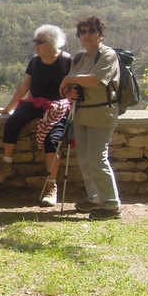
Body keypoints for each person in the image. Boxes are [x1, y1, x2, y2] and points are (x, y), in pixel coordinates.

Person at [0, 25, 73, 206]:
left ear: (52, 43)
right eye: (35, 41)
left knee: (53, 141)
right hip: (35, 102)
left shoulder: (67, 61)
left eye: (40, 41)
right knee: (13, 122)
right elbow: (25, 87)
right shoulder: (35, 61)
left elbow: (73, 89)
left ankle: (51, 186)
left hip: (57, 107)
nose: (36, 44)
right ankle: (7, 166)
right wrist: (7, 108)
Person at [59, 16, 122, 220]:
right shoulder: (78, 58)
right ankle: (95, 198)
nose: (87, 35)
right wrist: (69, 92)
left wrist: (68, 79)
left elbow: (95, 79)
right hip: (82, 113)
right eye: (83, 32)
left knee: (97, 158)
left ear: (100, 34)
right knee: (85, 158)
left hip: (102, 113)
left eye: (91, 31)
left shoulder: (107, 55)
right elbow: (72, 87)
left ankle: (111, 205)